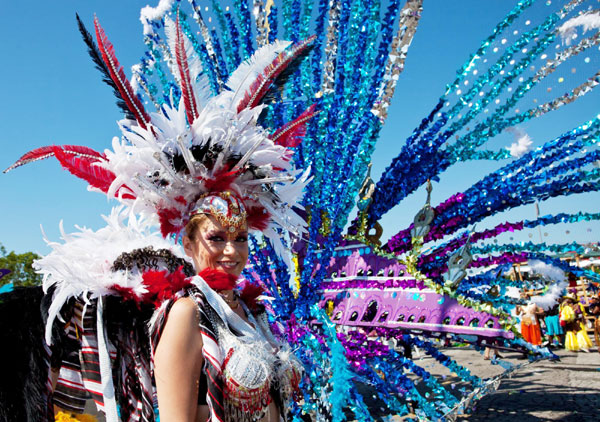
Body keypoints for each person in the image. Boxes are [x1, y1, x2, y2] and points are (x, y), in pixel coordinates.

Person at [152, 193, 302, 421]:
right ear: (188, 245)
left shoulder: (252, 312)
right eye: (216, 238)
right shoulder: (187, 313)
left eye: (240, 238)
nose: (232, 251)